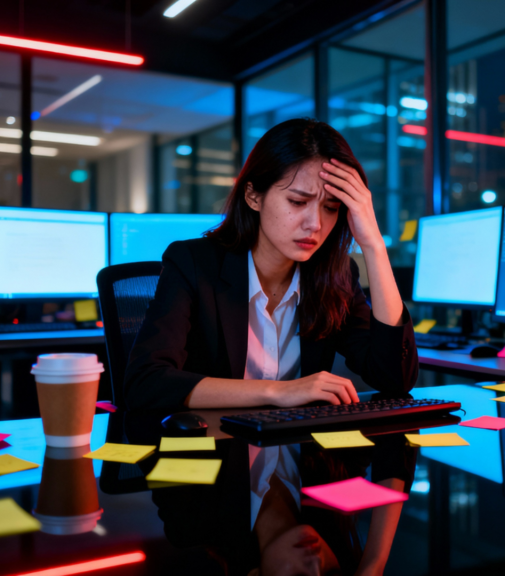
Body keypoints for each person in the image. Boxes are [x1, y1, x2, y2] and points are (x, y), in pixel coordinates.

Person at [125, 118, 418, 411]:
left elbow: (395, 380)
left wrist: (374, 246)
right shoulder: (193, 263)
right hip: (218, 447)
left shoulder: (336, 275)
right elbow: (145, 382)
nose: (315, 224)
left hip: (299, 449)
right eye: (297, 202)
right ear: (253, 196)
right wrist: (277, 392)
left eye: (330, 208)